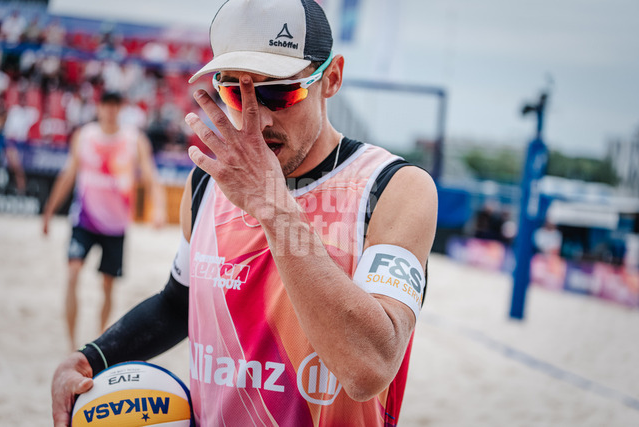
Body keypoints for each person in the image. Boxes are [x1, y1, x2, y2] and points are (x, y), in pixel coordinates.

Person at [51, 0, 437, 426]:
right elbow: (179, 303)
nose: (259, 119)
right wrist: (91, 358)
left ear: (332, 78)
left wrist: (273, 207)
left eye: (280, 92)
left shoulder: (392, 188)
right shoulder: (207, 183)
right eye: (236, 92)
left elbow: (370, 367)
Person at [42, 91, 166, 352]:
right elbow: (68, 174)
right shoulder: (84, 136)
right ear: (99, 108)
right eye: (106, 106)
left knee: (108, 286)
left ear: (120, 109)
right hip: (84, 220)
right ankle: (71, 345)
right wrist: (49, 211)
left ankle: (98, 342)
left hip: (115, 225)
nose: (110, 111)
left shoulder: (134, 139)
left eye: (114, 106)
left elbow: (150, 176)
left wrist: (159, 209)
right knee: (72, 274)